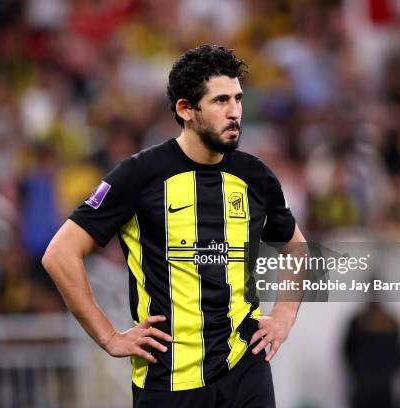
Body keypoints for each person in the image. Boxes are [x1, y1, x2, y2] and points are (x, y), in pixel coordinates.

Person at [42, 44, 306, 408]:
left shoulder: (255, 176)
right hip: (167, 380)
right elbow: (60, 254)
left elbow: (296, 247)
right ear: (185, 110)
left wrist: (284, 315)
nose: (234, 112)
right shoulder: (139, 175)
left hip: (246, 371)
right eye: (220, 101)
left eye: (238, 99)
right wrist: (108, 337)